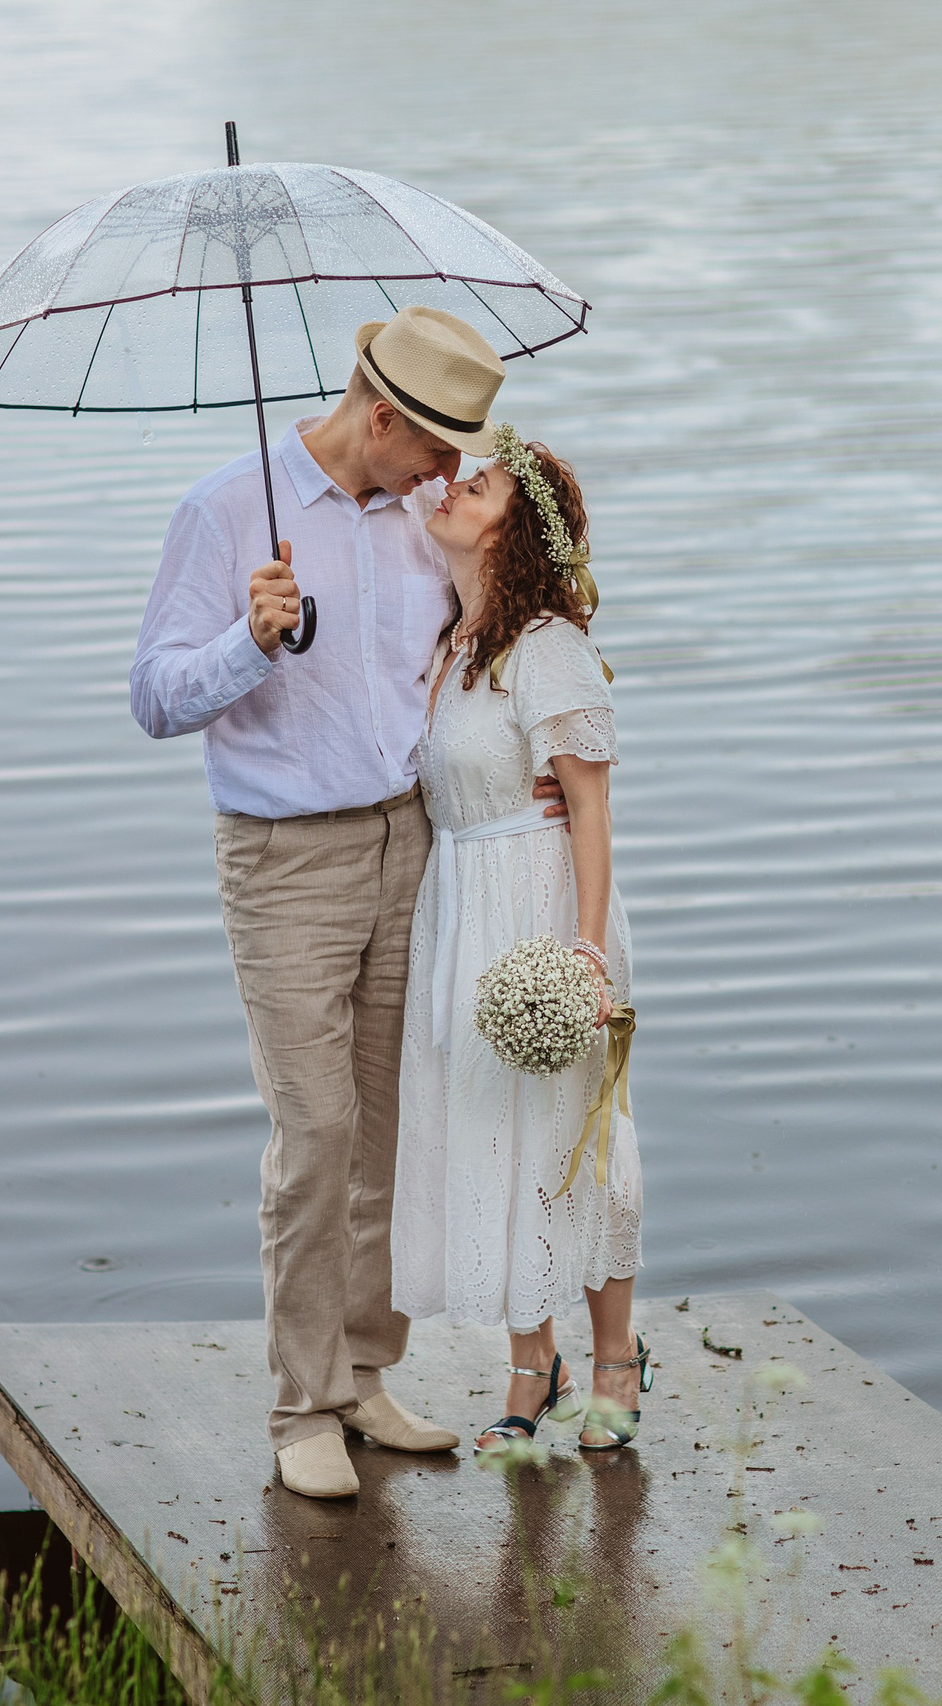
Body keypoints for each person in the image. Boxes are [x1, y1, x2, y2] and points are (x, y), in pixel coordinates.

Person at [128, 306, 560, 1500]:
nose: (447, 472)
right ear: (380, 419)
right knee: (316, 1130)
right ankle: (302, 1403)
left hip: (414, 840)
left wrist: (536, 756)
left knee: (390, 1127)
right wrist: (248, 640)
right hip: (285, 861)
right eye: (435, 447)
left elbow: (477, 651)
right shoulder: (225, 511)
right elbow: (154, 697)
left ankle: (365, 1373)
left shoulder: (423, 517)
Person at [391, 427, 648, 1453]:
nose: (453, 490)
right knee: (493, 1131)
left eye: (482, 487)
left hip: (541, 904)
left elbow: (589, 806)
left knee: (575, 1135)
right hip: (460, 903)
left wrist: (584, 951)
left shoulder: (545, 644)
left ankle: (616, 1360)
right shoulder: (451, 643)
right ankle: (534, 1367)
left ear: (515, 532)